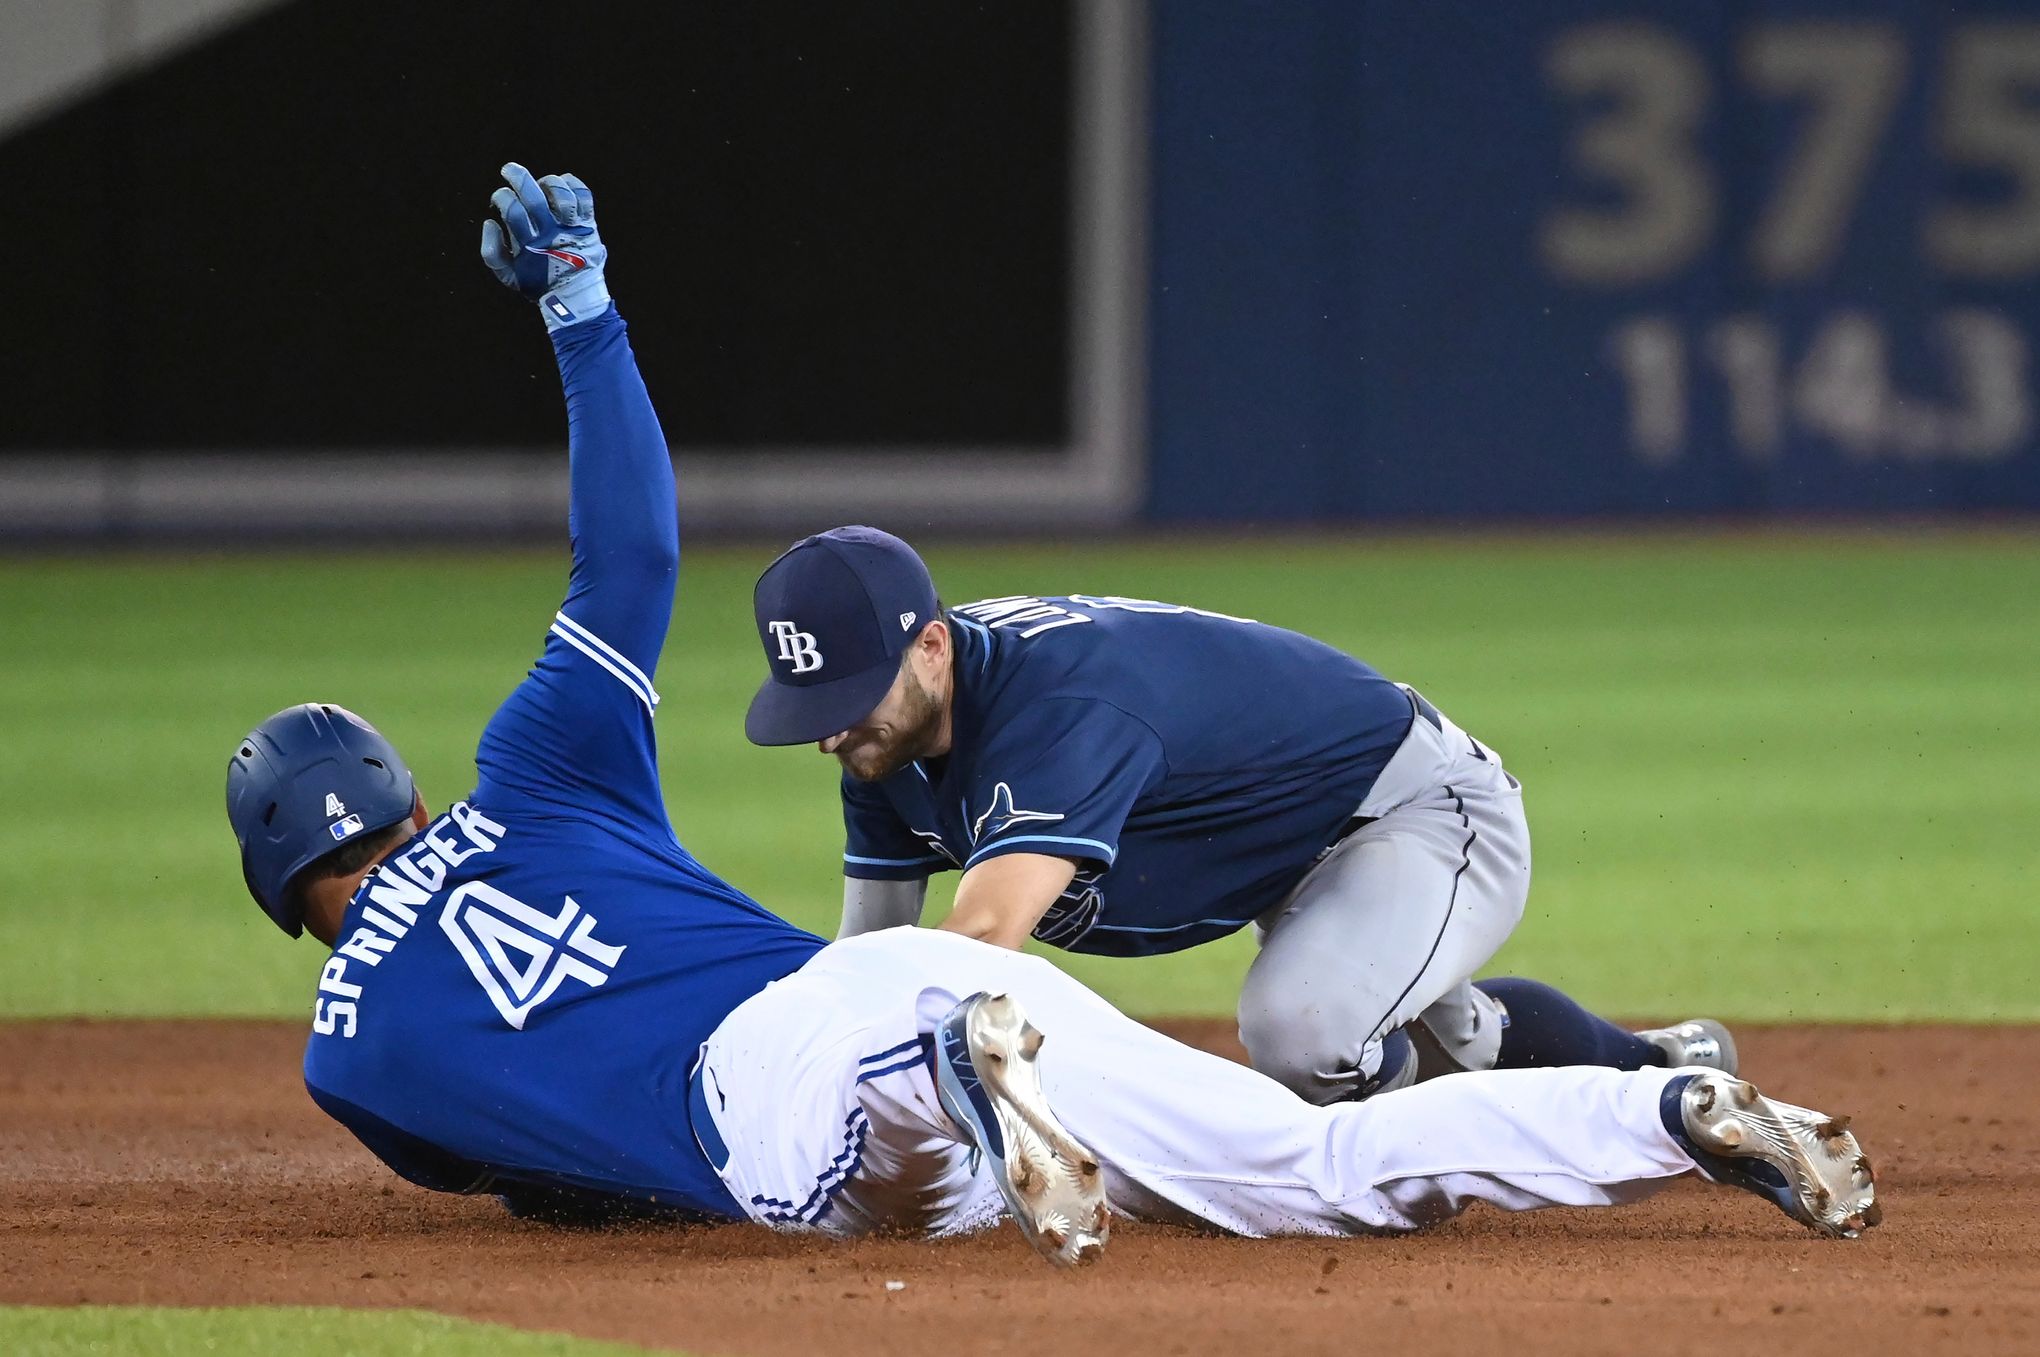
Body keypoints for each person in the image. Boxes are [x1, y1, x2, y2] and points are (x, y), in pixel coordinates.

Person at [224, 164, 1878, 1270]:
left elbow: (553, 1187)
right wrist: (579, 303)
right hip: (896, 981)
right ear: (403, 795)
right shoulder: (530, 776)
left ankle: (955, 1071)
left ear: (278, 897)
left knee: (901, 1160)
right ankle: (1660, 1113)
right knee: (1301, 1167)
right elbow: (637, 545)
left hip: (822, 1071)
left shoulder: (349, 1052)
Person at [743, 532, 1731, 1104]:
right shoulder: (885, 739)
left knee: (1305, 1038)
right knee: (1453, 1042)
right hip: (1277, 840)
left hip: (1407, 810)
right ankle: (1659, 1069)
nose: (830, 734)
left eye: (849, 695)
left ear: (931, 648)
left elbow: (980, 944)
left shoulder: (1056, 715)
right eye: (813, 704)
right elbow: (868, 963)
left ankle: (1470, 1146)